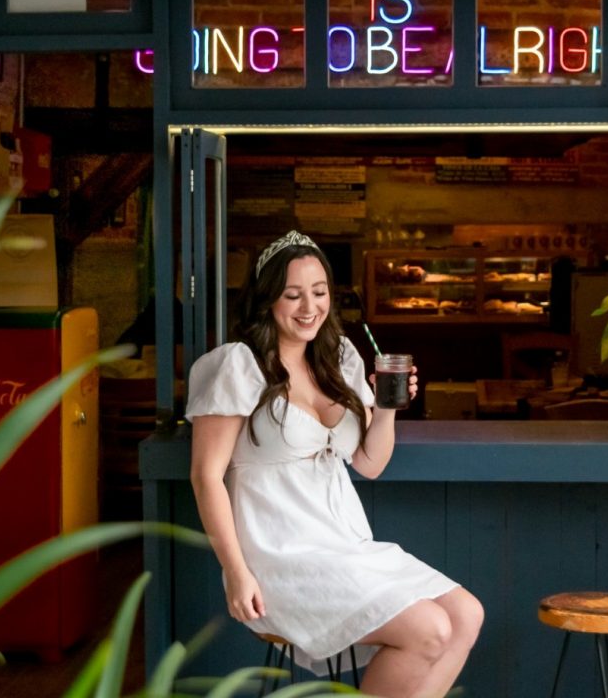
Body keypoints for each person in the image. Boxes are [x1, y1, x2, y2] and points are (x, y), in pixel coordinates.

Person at [186, 230, 483, 698]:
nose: (309, 307)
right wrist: (237, 572)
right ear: (267, 299)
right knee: (430, 628)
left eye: (319, 292)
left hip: (341, 544)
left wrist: (386, 408)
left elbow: (369, 463)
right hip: (279, 554)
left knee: (466, 615)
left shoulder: (339, 357)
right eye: (293, 295)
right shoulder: (240, 365)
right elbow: (206, 476)